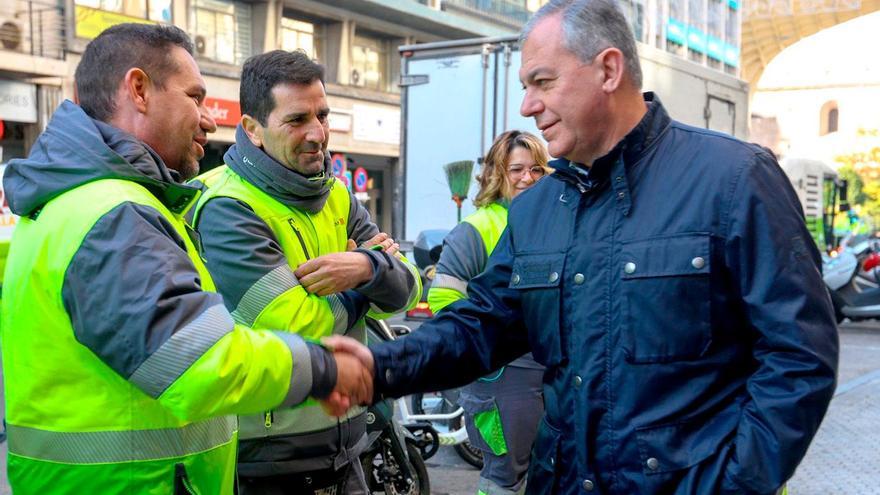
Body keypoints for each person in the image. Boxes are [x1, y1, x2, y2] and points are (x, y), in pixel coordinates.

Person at [326, 0, 840, 493]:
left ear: (609, 70)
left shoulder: (735, 180)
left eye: (543, 82)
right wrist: (380, 367)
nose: (527, 106)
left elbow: (799, 357)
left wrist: (735, 483)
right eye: (526, 87)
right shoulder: (536, 210)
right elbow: (480, 326)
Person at [0, 24, 370, 494]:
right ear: (138, 90)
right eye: (195, 97)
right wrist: (324, 367)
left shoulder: (71, 203)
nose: (209, 120)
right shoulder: (115, 214)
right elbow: (199, 362)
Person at [190, 49, 421, 495]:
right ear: (253, 130)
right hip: (268, 456)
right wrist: (367, 282)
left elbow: (408, 289)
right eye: (296, 120)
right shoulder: (226, 206)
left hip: (349, 439)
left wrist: (363, 265)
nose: (317, 133)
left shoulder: (336, 194)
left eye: (323, 114)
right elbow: (292, 323)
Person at [428, 130, 550, 495]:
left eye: (537, 169)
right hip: (502, 382)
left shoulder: (552, 223)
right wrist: (491, 348)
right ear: (498, 174)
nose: (528, 178)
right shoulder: (476, 229)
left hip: (549, 374)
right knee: (504, 479)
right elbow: (443, 300)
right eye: (517, 169)